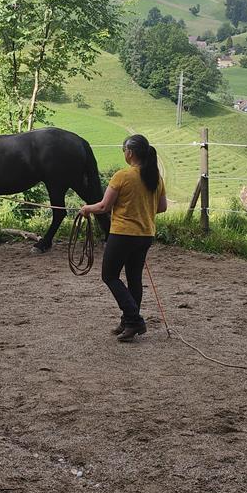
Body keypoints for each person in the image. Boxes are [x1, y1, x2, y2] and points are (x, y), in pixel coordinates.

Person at [80, 134, 168, 342]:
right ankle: (128, 321)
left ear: (130, 152)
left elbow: (103, 206)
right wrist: (142, 209)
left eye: (124, 150)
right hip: (145, 235)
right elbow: (162, 207)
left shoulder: (122, 176)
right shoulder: (156, 178)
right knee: (133, 279)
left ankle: (134, 320)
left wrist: (86, 209)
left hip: (122, 234)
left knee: (109, 276)